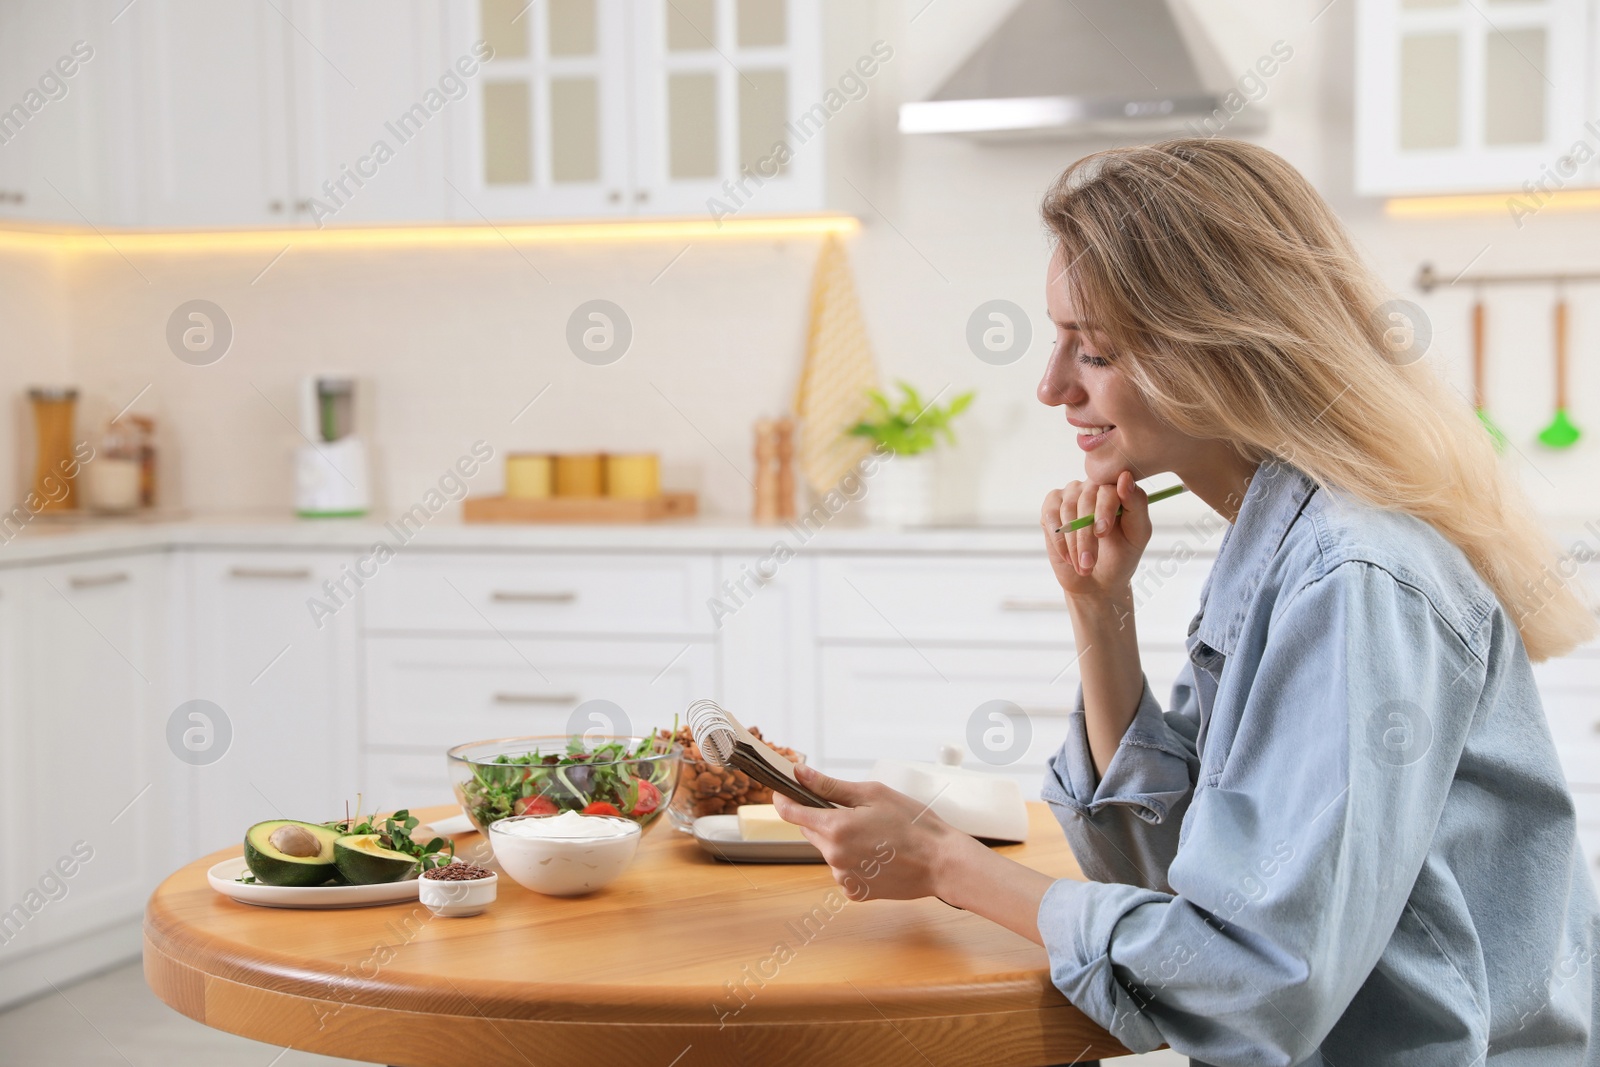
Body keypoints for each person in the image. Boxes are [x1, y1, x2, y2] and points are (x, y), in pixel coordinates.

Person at [774, 138, 1600, 1065]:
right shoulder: (1284, 532)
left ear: (1216, 349)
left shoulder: (1354, 576)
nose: (1052, 387)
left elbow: (1255, 978)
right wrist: (1100, 613)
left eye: (1091, 350)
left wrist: (946, 865)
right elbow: (1185, 878)